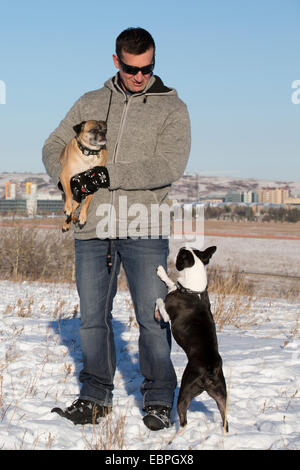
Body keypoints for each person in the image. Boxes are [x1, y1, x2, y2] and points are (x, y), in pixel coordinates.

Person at [42, 27, 191, 430]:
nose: (140, 76)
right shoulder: (90, 101)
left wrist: (106, 175)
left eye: (147, 68)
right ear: (116, 61)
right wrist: (70, 183)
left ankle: (159, 398)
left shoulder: (172, 109)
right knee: (92, 318)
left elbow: (168, 166)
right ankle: (94, 397)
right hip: (92, 230)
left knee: (152, 317)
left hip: (144, 227)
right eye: (131, 68)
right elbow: (52, 145)